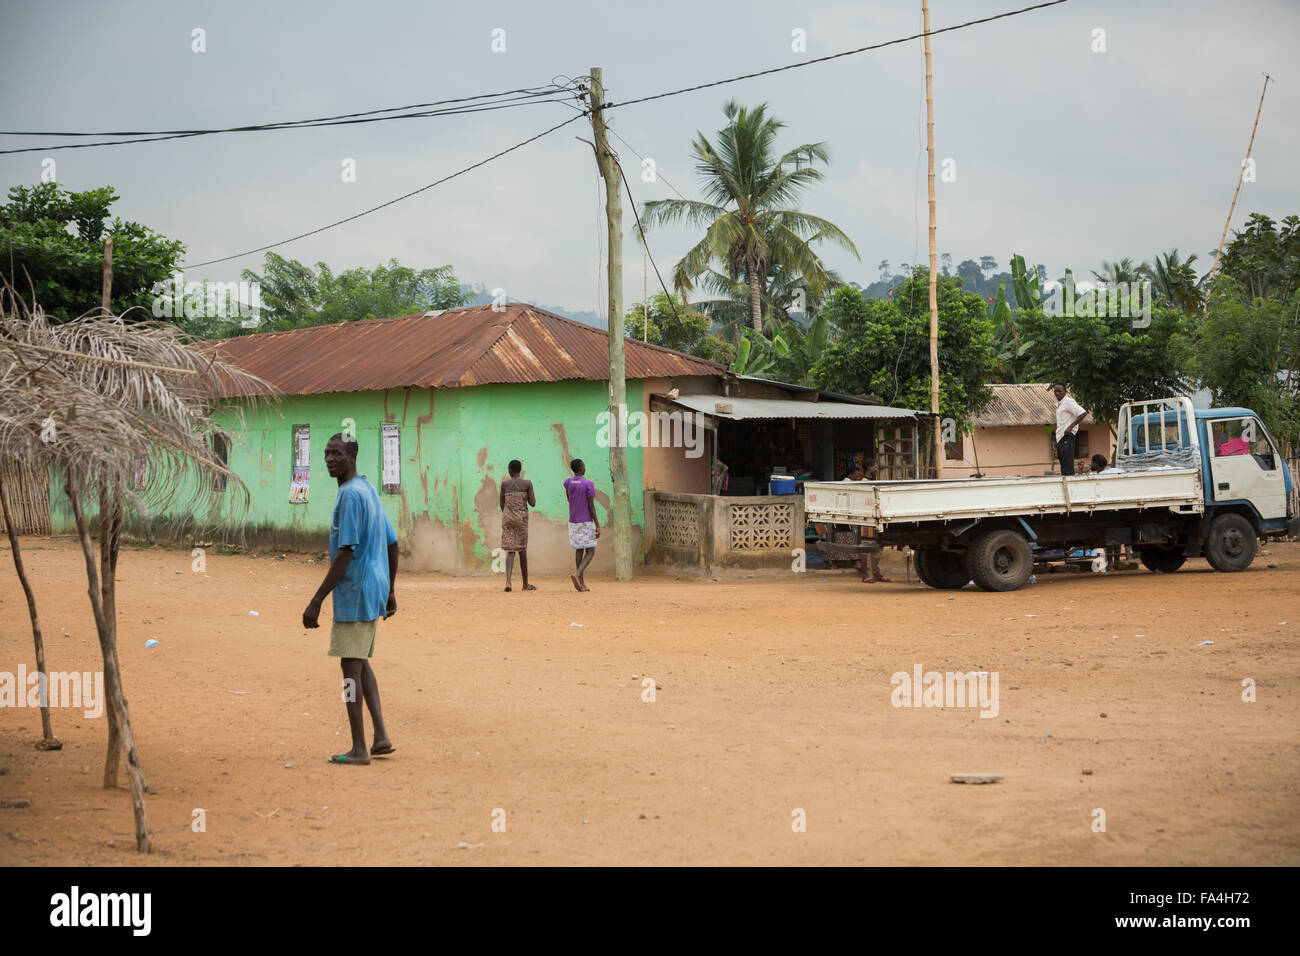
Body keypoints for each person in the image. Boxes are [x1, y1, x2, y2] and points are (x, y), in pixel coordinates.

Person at [303, 433, 398, 766]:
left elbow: (345, 553)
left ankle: (359, 748)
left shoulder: (349, 496)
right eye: (326, 454)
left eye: (337, 454)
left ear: (352, 456)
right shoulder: (368, 489)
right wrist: (389, 588)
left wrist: (317, 599)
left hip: (355, 591)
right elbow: (391, 542)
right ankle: (380, 737)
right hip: (372, 588)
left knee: (348, 670)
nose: (330, 459)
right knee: (360, 662)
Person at [499, 459, 536, 592]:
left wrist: (509, 514)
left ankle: (508, 582)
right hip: (521, 519)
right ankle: (525, 584)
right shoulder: (527, 483)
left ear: (509, 470)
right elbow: (533, 503)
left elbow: (501, 504)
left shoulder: (504, 484)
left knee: (510, 550)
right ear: (520, 470)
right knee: (522, 550)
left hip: (508, 519)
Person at [564, 458, 600, 592]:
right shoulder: (588, 484)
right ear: (580, 468)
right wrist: (597, 524)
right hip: (586, 521)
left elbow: (569, 499)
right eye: (584, 465)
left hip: (573, 521)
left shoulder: (568, 482)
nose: (585, 467)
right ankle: (578, 574)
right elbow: (591, 505)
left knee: (579, 549)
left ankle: (581, 583)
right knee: (590, 551)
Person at [859, 458, 889, 583]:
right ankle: (865, 575)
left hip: (875, 518)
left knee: (877, 546)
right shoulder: (864, 482)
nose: (877, 469)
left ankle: (876, 573)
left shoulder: (872, 481)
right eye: (875, 467)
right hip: (866, 518)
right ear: (869, 468)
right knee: (866, 547)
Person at [1051, 382, 1088, 476]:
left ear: (1065, 391)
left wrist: (1071, 427)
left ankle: (1070, 487)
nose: (1057, 393)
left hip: (1067, 437)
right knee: (1064, 466)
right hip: (1060, 439)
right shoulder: (1060, 404)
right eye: (1055, 391)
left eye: (1059, 391)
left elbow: (1082, 413)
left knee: (1067, 467)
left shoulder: (1068, 402)